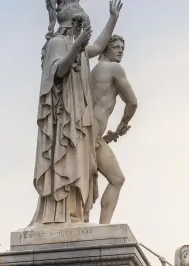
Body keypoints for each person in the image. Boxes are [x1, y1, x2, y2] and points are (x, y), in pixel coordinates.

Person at [31, 0, 124, 225]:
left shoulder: (80, 51)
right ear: (75, 25)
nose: (85, 33)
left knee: (78, 164)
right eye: (83, 28)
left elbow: (100, 46)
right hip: (63, 119)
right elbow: (59, 70)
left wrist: (112, 19)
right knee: (66, 163)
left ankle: (74, 214)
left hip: (77, 120)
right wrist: (76, 46)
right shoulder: (57, 42)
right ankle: (58, 216)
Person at [90, 35, 138, 224]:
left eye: (122, 48)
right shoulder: (113, 68)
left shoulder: (94, 71)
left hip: (92, 134)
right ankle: (104, 226)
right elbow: (132, 103)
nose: (120, 51)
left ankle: (102, 228)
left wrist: (112, 135)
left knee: (115, 179)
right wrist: (121, 126)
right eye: (116, 47)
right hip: (90, 135)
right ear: (105, 49)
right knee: (116, 178)